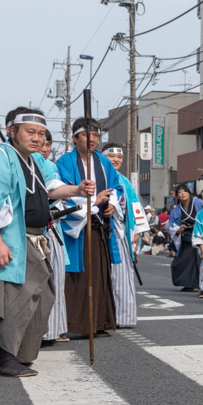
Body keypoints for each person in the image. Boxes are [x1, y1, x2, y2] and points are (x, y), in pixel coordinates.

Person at [0, 109, 93, 374]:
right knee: (14, 299)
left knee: (40, 296)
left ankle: (4, 354)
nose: (36, 138)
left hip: (34, 238)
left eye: (40, 134)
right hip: (11, 240)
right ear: (11, 130)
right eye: (30, 132)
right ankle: (5, 358)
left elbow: (49, 188)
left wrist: (77, 189)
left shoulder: (33, 160)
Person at [56, 116, 126, 339]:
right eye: (87, 134)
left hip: (99, 228)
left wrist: (112, 204)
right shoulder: (64, 162)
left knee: (100, 275)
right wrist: (94, 203)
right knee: (76, 276)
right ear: (75, 137)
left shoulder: (103, 162)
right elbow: (63, 195)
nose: (92, 139)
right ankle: (71, 324)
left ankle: (99, 323)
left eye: (96, 135)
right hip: (76, 228)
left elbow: (116, 187)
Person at [98, 142, 141, 328]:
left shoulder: (125, 181)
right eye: (111, 156)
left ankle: (123, 317)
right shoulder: (98, 177)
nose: (116, 160)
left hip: (120, 233)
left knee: (123, 275)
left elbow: (135, 207)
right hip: (98, 230)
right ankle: (101, 317)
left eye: (119, 157)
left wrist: (137, 232)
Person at [38, 130, 69, 346]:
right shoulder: (31, 162)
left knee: (55, 279)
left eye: (49, 143)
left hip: (54, 226)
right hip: (38, 227)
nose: (45, 148)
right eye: (42, 143)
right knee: (42, 281)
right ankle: (43, 330)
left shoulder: (53, 167)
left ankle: (53, 328)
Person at [166, 185, 203, 292]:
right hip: (186, 238)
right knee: (182, 262)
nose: (183, 194)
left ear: (189, 192)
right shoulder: (176, 210)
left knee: (201, 261)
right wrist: (178, 229)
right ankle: (188, 283)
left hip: (201, 236)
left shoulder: (199, 202)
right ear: (177, 195)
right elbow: (172, 226)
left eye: (185, 191)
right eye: (180, 192)